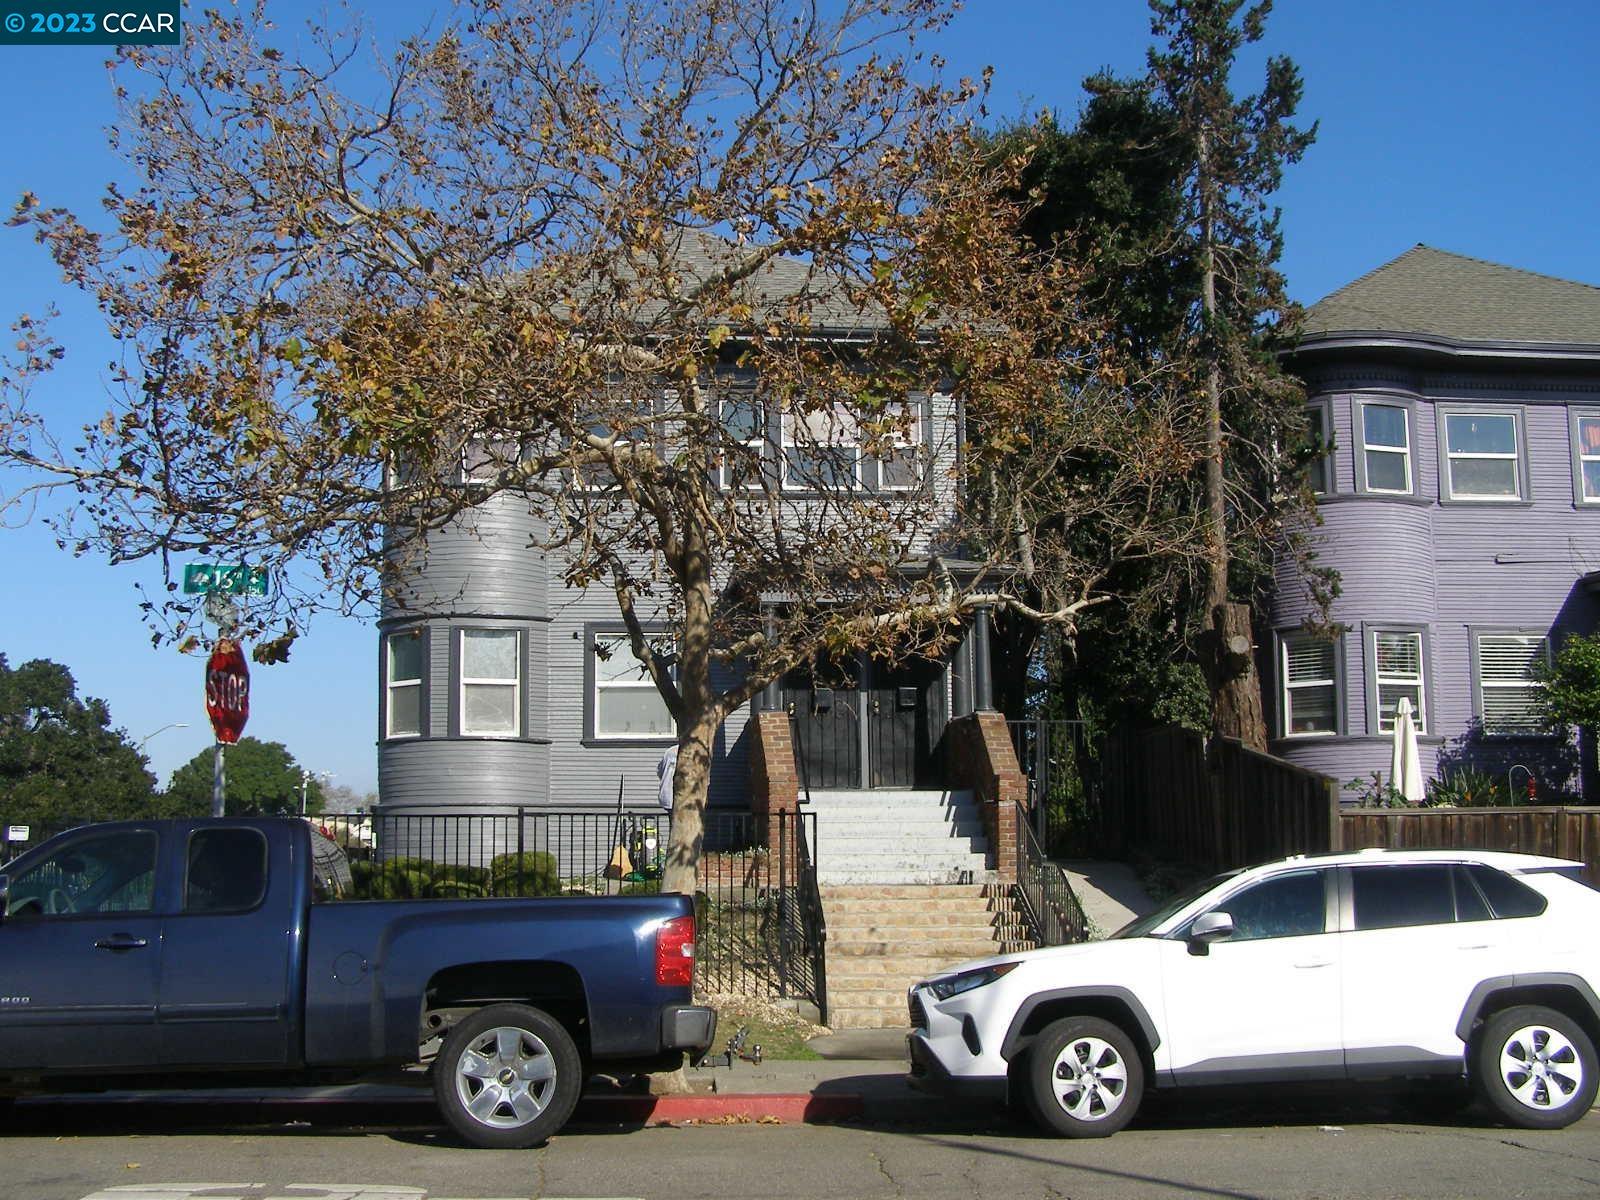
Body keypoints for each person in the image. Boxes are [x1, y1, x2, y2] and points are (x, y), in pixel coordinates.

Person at [656, 743, 678, 813]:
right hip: (681, 798)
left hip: (668, 795)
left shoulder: (669, 751)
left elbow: (660, 772)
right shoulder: (691, 751)